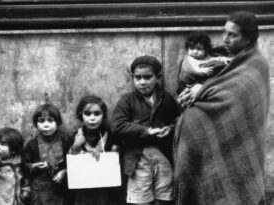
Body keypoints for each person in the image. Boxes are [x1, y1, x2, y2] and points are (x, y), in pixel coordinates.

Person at [174, 11, 270, 205]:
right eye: (224, 32)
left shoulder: (257, 65)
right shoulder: (221, 57)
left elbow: (232, 97)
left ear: (249, 38)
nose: (225, 38)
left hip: (239, 141)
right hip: (218, 143)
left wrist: (203, 89)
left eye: (233, 35)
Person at [111, 55, 181, 205]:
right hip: (138, 159)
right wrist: (147, 131)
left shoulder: (166, 99)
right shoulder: (127, 100)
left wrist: (170, 128)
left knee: (164, 198)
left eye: (148, 77)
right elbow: (117, 125)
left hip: (163, 157)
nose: (142, 82)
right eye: (138, 78)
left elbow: (179, 120)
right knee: (140, 200)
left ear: (158, 77)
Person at [69, 95, 122, 205]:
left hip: (106, 189)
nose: (92, 118)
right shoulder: (77, 135)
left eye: (97, 114)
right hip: (83, 190)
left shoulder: (110, 135)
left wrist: (115, 151)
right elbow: (70, 162)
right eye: (87, 114)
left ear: (103, 115)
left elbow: (116, 162)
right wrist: (76, 146)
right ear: (81, 115)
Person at [20, 104, 73, 205]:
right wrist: (33, 166)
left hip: (61, 189)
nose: (46, 125)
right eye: (41, 121)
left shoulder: (66, 141)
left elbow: (74, 162)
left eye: (50, 120)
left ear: (57, 122)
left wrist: (64, 172)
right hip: (40, 190)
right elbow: (23, 165)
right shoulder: (32, 145)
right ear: (36, 124)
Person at [176, 31, 232, 97]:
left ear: (206, 50)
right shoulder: (190, 59)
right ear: (187, 49)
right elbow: (188, 69)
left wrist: (226, 59)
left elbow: (217, 58)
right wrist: (200, 71)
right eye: (191, 48)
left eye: (199, 49)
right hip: (192, 84)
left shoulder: (208, 56)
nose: (195, 52)